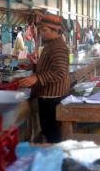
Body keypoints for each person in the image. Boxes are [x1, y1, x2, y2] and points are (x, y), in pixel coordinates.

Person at [19, 14, 70, 143]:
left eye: (45, 30)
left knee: (51, 131)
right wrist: (37, 65)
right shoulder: (51, 44)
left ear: (56, 31)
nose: (41, 33)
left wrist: (37, 78)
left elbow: (60, 72)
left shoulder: (58, 47)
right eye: (41, 30)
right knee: (49, 130)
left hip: (52, 97)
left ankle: (56, 156)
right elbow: (52, 67)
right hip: (48, 95)